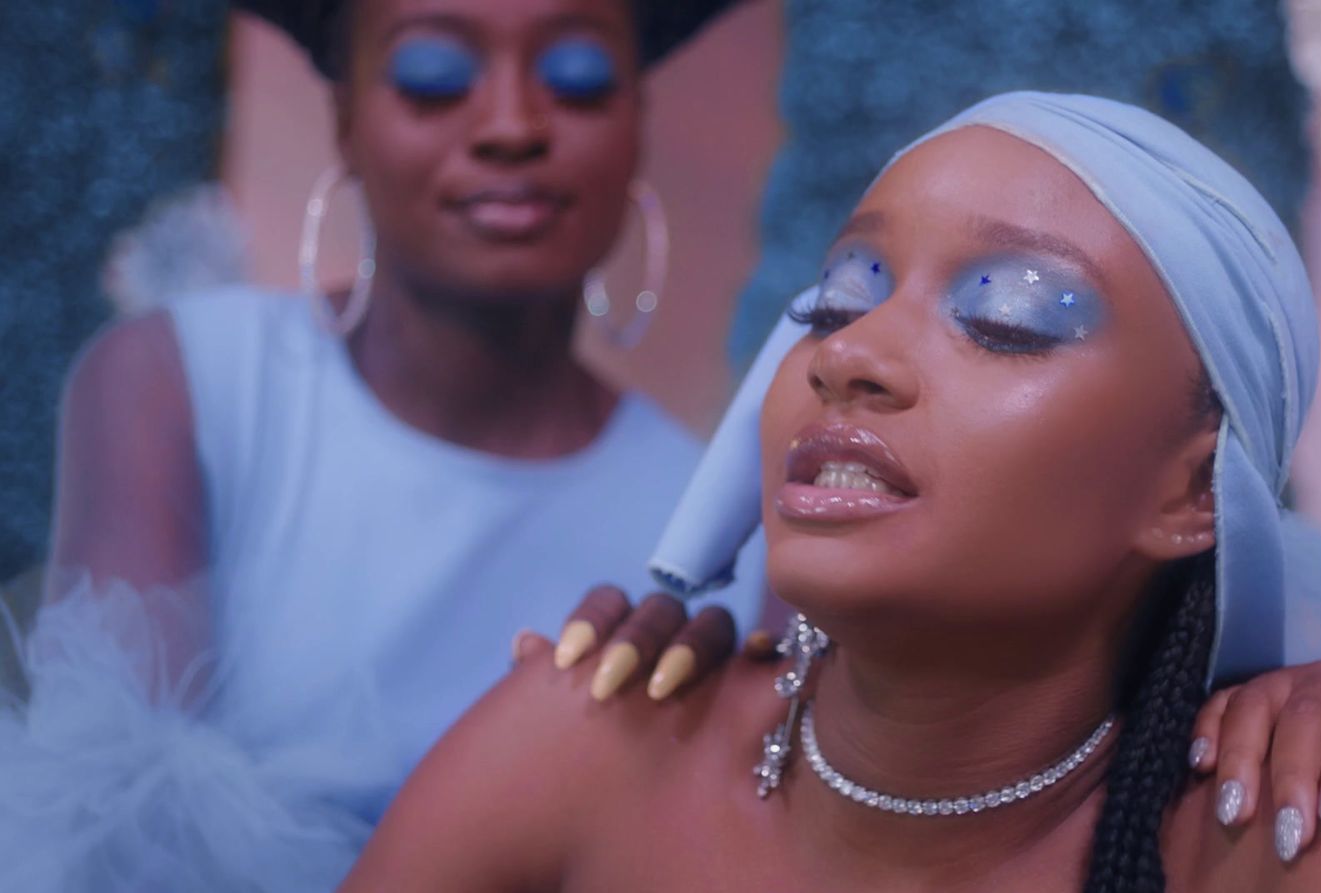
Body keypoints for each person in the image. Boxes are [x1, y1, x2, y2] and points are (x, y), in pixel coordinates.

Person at [340, 91, 1321, 891]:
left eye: (1009, 314)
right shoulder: (577, 743)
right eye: (839, 295)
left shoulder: (1300, 854)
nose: (849, 353)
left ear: (1190, 493)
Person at [0, 1, 761, 890]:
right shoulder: (184, 382)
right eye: (434, 72)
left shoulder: (717, 533)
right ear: (345, 123)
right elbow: (107, 839)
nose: (513, 125)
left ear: (637, 121)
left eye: (578, 75)